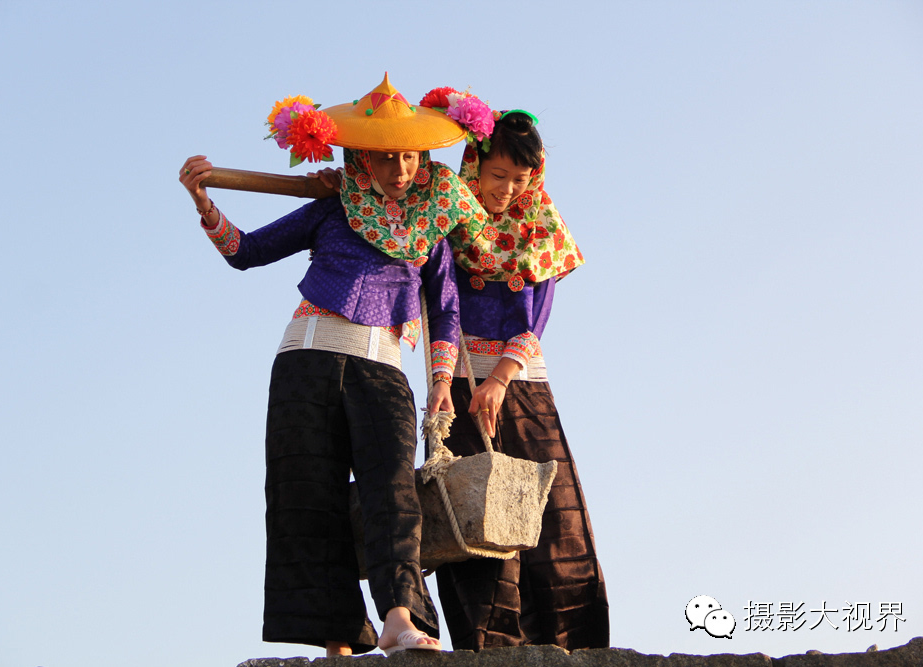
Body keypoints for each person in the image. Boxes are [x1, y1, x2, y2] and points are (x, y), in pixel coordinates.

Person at [177, 75, 486, 657]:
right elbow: (246, 252)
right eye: (386, 157)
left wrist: (442, 383)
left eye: (410, 156)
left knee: (391, 492)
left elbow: (444, 306)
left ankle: (399, 619)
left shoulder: (436, 217)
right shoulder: (331, 205)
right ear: (360, 156)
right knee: (305, 492)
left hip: (384, 368)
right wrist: (203, 202)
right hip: (306, 359)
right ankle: (335, 638)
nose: (399, 169)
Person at [429, 105, 611, 651]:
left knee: (554, 516)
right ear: (474, 170)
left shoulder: (541, 224)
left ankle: (576, 648)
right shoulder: (448, 221)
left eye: (519, 178)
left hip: (523, 384)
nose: (507, 189)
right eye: (496, 176)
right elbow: (442, 305)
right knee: (475, 520)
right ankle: (488, 650)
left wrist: (502, 379)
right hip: (460, 381)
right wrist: (448, 382)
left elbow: (537, 316)